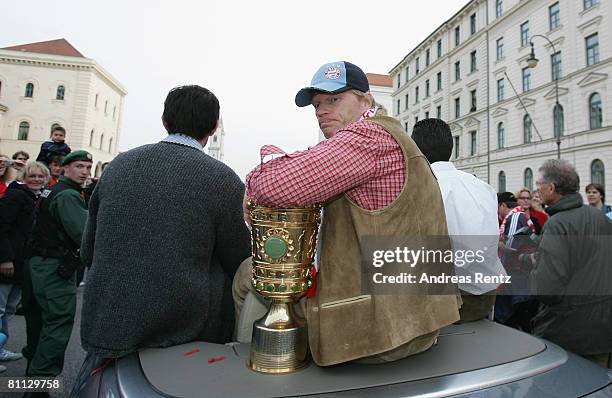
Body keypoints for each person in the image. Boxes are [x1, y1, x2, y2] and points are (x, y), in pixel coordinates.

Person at [237, 61, 460, 366]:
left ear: (366, 101)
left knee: (249, 275)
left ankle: (258, 361)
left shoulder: (367, 138)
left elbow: (275, 185)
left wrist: (253, 183)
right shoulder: (392, 137)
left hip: (378, 332)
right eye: (317, 104)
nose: (321, 110)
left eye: (334, 99)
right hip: (420, 319)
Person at [72, 85, 250, 395]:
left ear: (165, 120)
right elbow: (239, 260)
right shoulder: (221, 179)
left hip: (112, 324)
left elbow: (89, 248)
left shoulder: (118, 168)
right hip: (184, 333)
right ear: (214, 126)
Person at [411, 119, 506, 322]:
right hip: (485, 295)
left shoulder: (420, 187)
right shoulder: (482, 186)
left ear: (415, 150)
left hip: (447, 299)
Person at [530, 160, 612, 369]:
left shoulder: (557, 224)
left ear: (551, 188)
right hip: (602, 328)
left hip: (567, 331)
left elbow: (547, 290)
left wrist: (535, 269)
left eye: (539, 183)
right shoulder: (599, 217)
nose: (537, 189)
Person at [22, 150, 92, 381]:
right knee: (57, 323)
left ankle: (32, 376)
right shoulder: (68, 196)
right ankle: (38, 383)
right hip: (53, 268)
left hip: (37, 264)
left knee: (38, 323)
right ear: (66, 168)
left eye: (88, 167)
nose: (84, 172)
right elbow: (84, 235)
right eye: (79, 166)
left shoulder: (53, 190)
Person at [0, 162, 50, 370]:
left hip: (22, 265)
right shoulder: (16, 196)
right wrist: (4, 258)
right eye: (32, 176)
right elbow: (1, 227)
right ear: (25, 176)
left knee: (9, 310)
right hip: (8, 263)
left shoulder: (38, 197)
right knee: (0, 309)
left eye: (40, 176)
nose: (36, 179)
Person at [495, 192, 538, 332]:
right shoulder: (519, 214)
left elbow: (511, 245)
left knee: (518, 314)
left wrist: (494, 242)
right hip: (519, 272)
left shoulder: (515, 215)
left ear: (502, 205)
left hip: (518, 273)